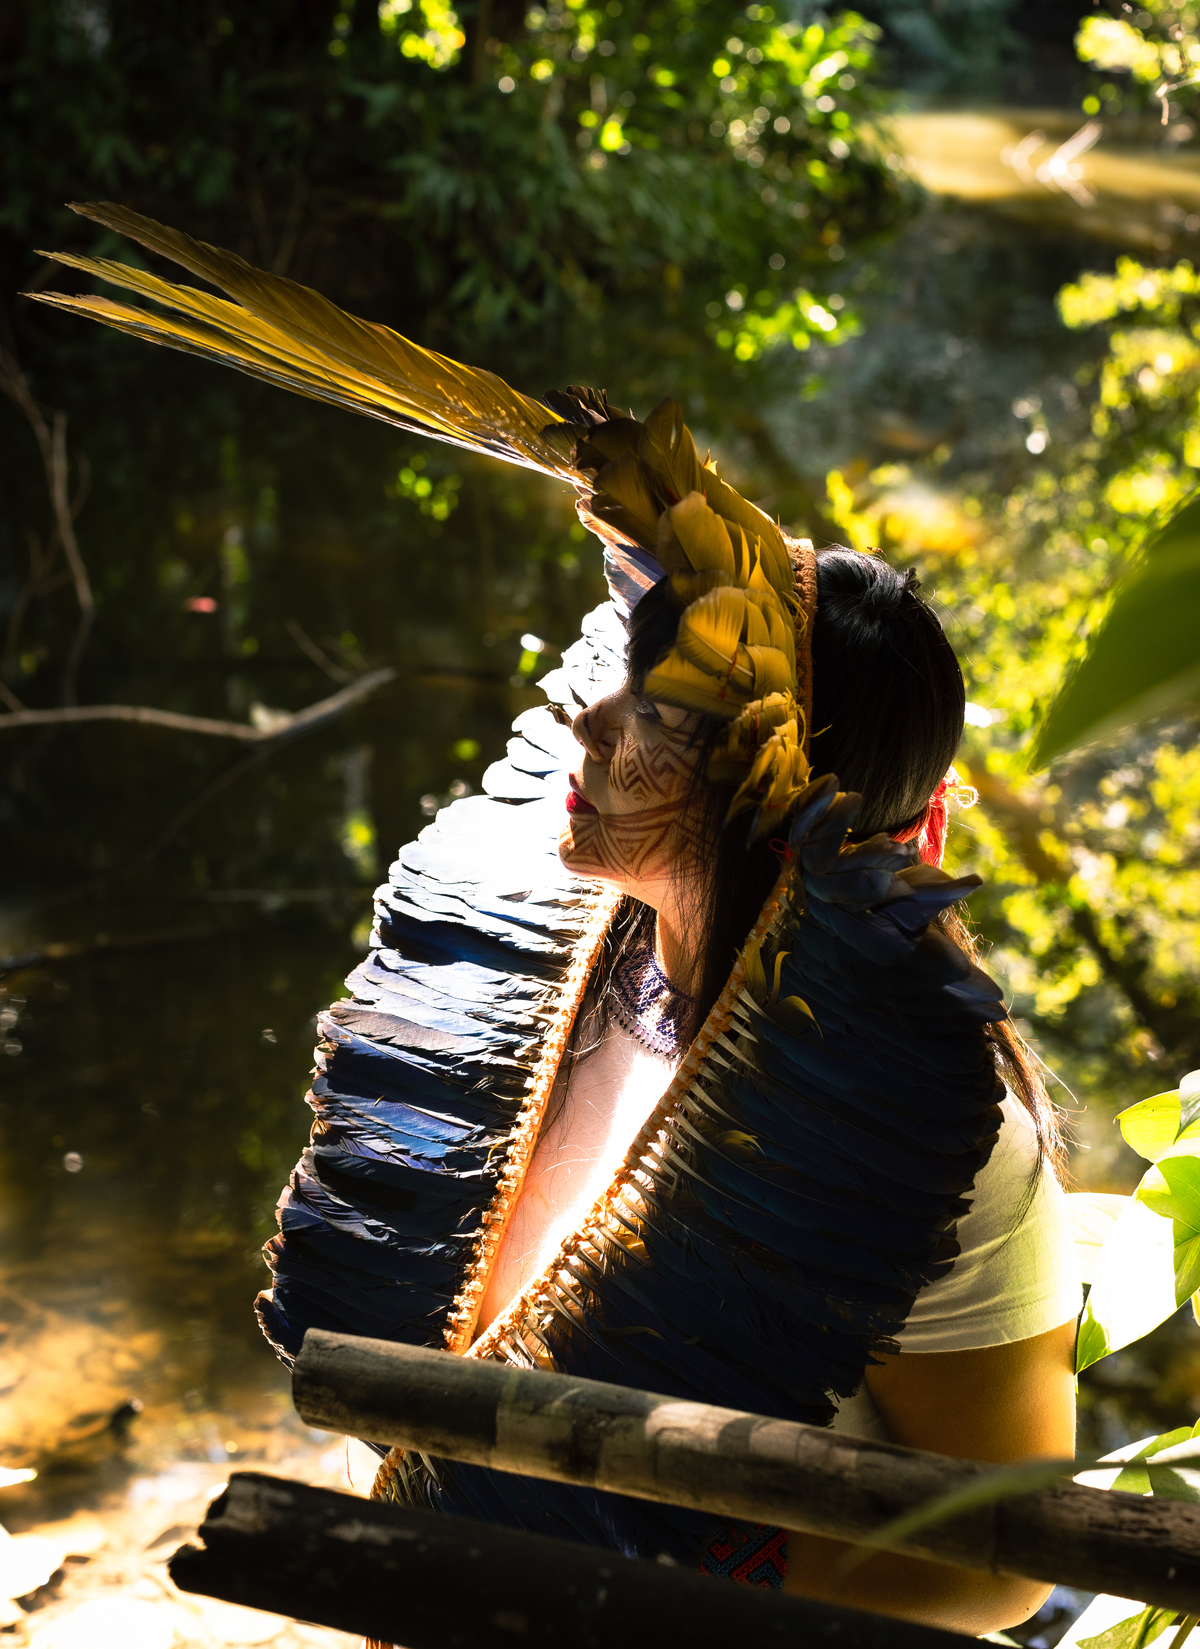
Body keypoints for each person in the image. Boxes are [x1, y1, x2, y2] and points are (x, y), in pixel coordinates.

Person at [35, 205, 1081, 1638]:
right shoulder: (577, 960)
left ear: (758, 787)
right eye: (618, 672)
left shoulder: (939, 1142)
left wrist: (658, 1573)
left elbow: (1001, 1553)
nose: (586, 718)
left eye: (653, 710)